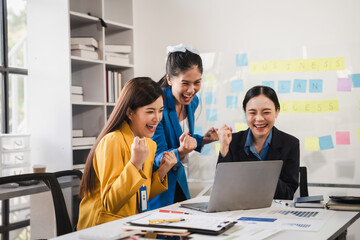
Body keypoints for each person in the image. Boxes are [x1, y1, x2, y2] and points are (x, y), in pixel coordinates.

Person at [77, 77, 177, 230]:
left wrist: (162, 171)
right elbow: (111, 203)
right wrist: (135, 164)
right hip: (101, 228)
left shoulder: (149, 144)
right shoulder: (112, 141)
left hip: (130, 225)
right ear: (130, 112)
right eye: (150, 111)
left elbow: (140, 195)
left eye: (160, 111)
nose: (157, 118)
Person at [148, 44, 219, 210]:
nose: (191, 90)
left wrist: (203, 140)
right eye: (185, 83)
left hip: (179, 180)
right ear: (170, 79)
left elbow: (180, 137)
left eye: (197, 83)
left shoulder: (192, 102)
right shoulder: (158, 106)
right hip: (159, 183)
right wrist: (182, 151)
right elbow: (158, 156)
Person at [217, 85, 299, 200]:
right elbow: (222, 189)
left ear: (276, 112)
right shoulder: (231, 141)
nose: (259, 118)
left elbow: (287, 194)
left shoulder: (290, 144)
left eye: (266, 112)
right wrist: (224, 148)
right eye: (252, 112)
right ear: (245, 113)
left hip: (274, 211)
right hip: (239, 210)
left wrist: (261, 171)